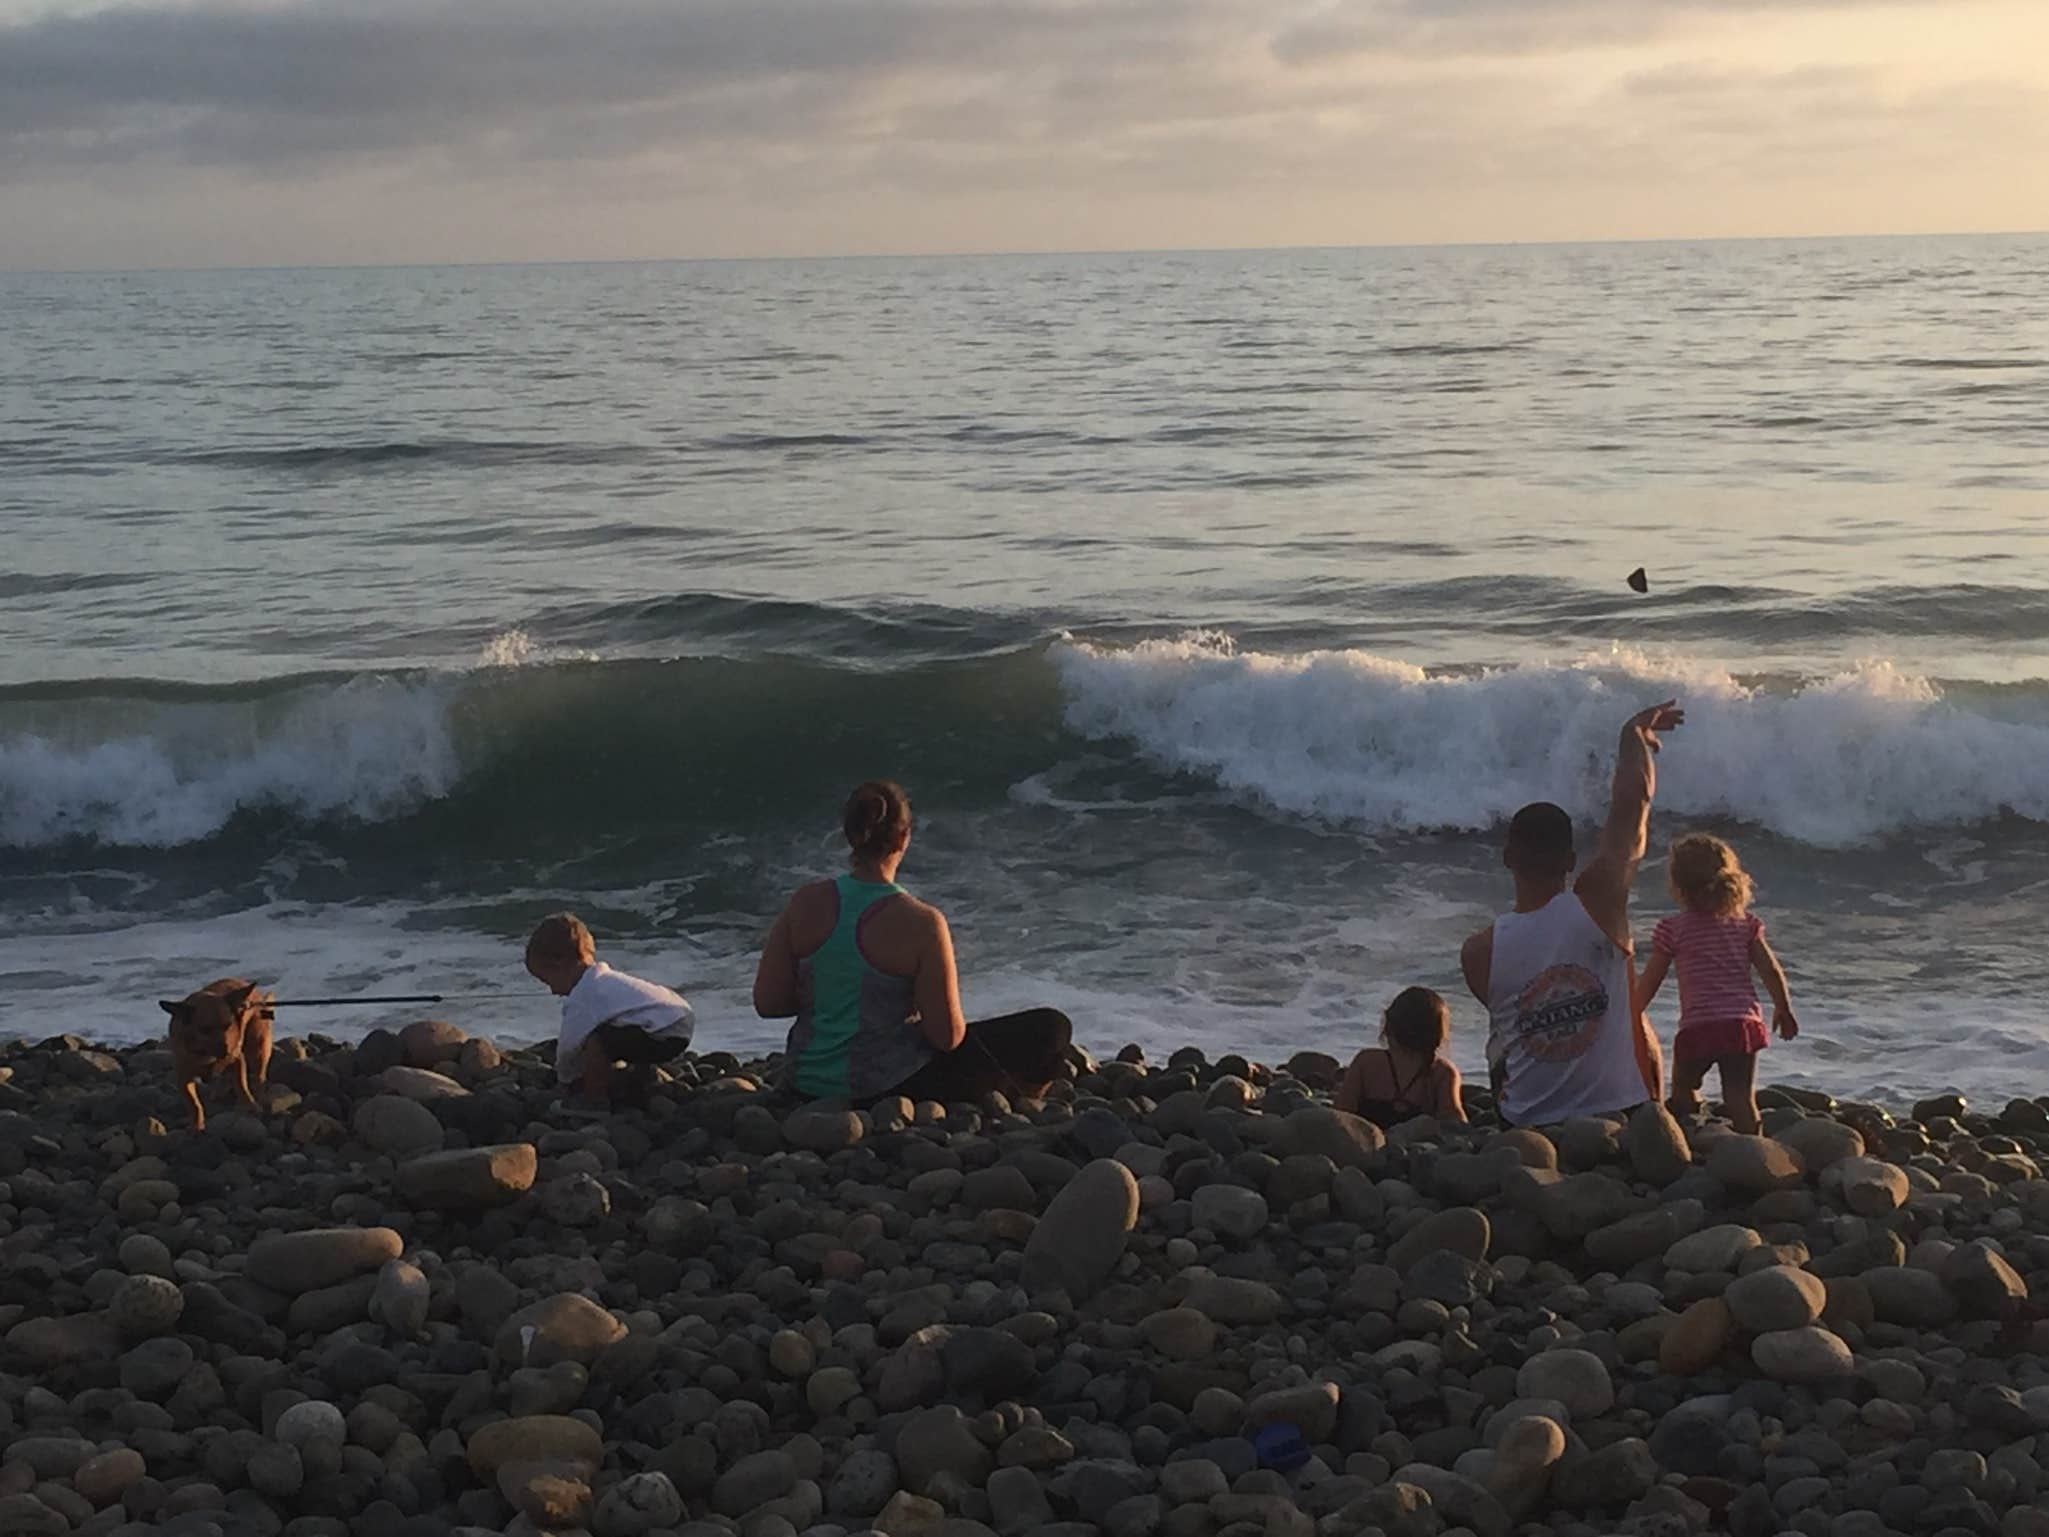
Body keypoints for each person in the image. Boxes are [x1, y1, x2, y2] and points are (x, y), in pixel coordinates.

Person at [754, 779, 1073, 1103]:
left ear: (849, 836)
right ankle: (1020, 1104)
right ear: (904, 837)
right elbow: (946, 1037)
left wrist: (832, 995)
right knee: (1052, 1028)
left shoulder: (804, 902)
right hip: (887, 1089)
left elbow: (768, 1003)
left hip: (804, 1083)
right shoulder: (923, 922)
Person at [1460, 701, 1684, 1126]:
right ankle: (1654, 1111)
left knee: (1503, 1034)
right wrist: (1632, 736)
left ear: (1507, 858)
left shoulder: (1478, 952)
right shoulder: (1597, 904)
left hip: (1529, 1119)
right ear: (1570, 861)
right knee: (1630, 1009)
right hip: (1619, 1111)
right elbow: (1632, 807)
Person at [1633, 833, 1798, 1134]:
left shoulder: (1672, 929)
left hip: (1700, 1026)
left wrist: (1632, 1013)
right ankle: (1754, 1146)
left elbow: (1652, 978)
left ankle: (1689, 1135)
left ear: (1678, 886)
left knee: (1683, 1086)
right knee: (1740, 1098)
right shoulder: (1745, 924)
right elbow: (1769, 969)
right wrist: (1783, 1008)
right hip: (1741, 1024)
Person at [525, 912, 694, 1107]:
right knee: (615, 1031)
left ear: (560, 965)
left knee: (597, 1041)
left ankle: (595, 1102)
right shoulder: (605, 980)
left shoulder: (585, 993)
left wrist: (565, 1079)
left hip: (666, 1029)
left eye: (548, 981)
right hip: (679, 1017)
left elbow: (569, 1044)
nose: (553, 991)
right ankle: (640, 1081)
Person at [1335, 986, 1467, 1128]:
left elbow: (1341, 1112)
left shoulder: (1366, 1062)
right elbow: (1454, 1121)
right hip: (1418, 1141)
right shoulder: (1442, 1073)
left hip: (1367, 1139)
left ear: (1389, 1026)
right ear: (1438, 1034)